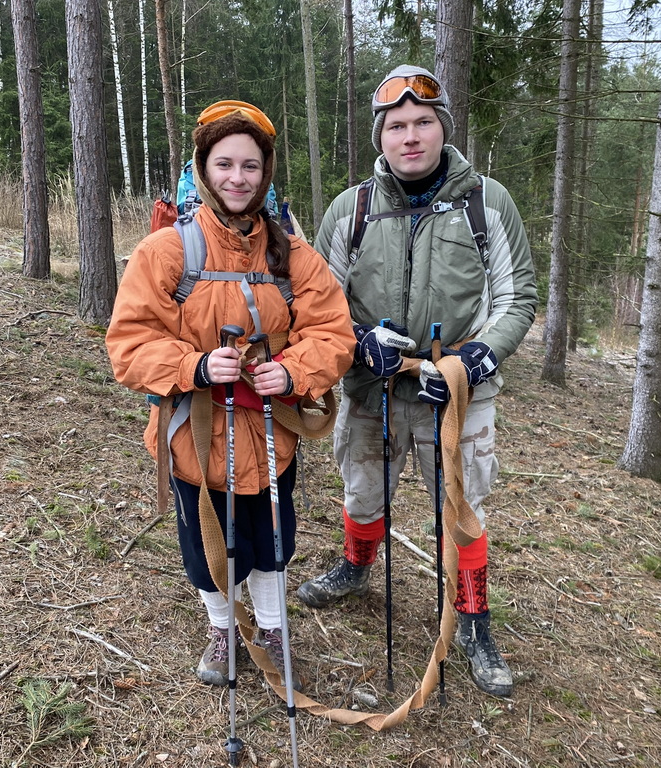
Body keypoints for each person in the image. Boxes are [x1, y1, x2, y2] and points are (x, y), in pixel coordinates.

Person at [296, 66, 538, 698]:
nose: (410, 136)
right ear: (380, 136)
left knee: (463, 508)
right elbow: (319, 301)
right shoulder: (351, 210)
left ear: (442, 129)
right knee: (362, 491)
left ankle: (474, 620)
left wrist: (478, 359)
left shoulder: (487, 203)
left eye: (423, 122)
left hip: (458, 396)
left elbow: (517, 297)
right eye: (397, 125)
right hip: (370, 390)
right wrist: (359, 342)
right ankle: (355, 566)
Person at [106, 100, 355, 691]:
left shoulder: (293, 256)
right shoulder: (166, 252)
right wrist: (194, 365)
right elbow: (129, 342)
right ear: (203, 168)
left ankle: (271, 628)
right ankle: (224, 629)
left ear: (265, 173)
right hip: (192, 437)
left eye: (250, 165)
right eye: (224, 164)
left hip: (269, 435)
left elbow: (333, 333)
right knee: (206, 545)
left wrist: (290, 372)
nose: (237, 178)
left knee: (270, 540)